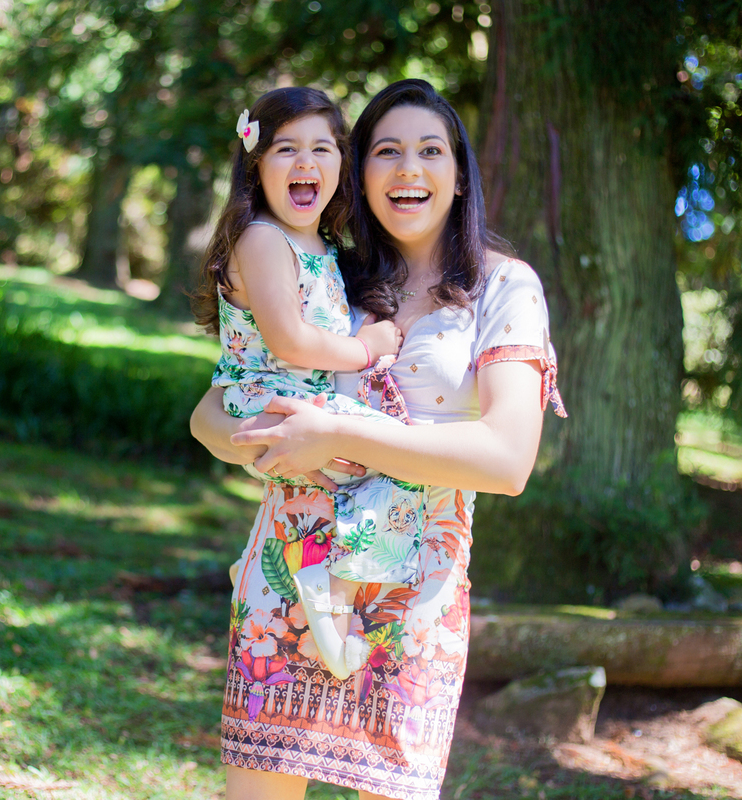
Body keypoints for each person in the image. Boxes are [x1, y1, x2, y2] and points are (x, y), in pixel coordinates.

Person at [191, 79, 566, 800]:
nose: (408, 170)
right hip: (290, 576)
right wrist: (257, 440)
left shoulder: (505, 288)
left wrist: (337, 432)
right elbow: (212, 407)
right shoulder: (337, 274)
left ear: (460, 176)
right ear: (359, 173)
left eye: (430, 151)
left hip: (413, 601)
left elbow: (508, 459)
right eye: (386, 152)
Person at [194, 86, 436, 681]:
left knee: (361, 480)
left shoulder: (319, 244)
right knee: (402, 458)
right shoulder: (261, 237)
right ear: (256, 163)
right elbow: (291, 341)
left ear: (340, 167)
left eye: (322, 149)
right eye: (286, 149)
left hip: (293, 400)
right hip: (272, 398)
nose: (306, 163)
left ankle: (278, 567)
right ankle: (332, 599)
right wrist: (365, 349)